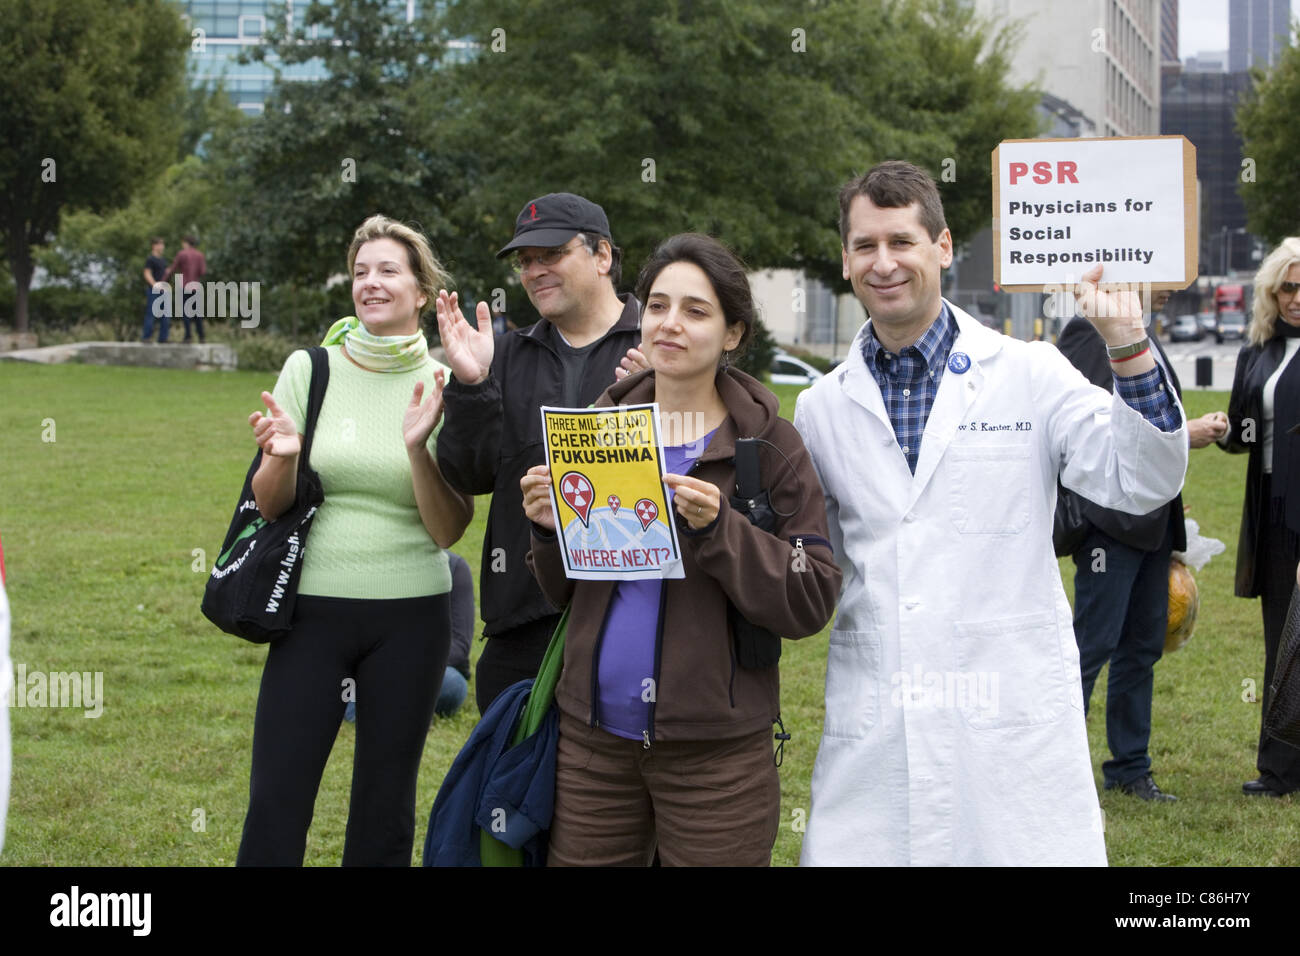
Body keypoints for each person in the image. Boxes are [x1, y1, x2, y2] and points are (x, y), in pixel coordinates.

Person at [794, 161, 1188, 866]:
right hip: (879, 717)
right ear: (846, 258)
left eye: (902, 242)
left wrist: (1127, 349)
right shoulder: (822, 406)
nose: (883, 263)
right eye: (864, 245)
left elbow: (1141, 479)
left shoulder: (1030, 373)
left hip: (1009, 718)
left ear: (943, 247)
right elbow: (803, 556)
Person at [521, 233, 841, 866]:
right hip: (592, 743)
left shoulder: (771, 446)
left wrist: (722, 532)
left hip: (716, 756)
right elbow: (565, 595)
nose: (670, 324)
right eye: (658, 305)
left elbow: (809, 596)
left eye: (695, 311)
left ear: (732, 334)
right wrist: (547, 530)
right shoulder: (600, 427)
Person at [236, 215, 473, 866]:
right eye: (361, 272)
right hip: (310, 613)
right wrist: (281, 458)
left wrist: (415, 450)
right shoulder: (308, 369)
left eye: (389, 270)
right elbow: (268, 503)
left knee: (385, 805)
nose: (371, 283)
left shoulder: (448, 383)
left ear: (423, 291)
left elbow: (450, 529)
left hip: (413, 617)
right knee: (277, 798)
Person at [436, 193, 644, 715]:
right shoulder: (503, 355)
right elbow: (470, 474)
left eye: (550, 254)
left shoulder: (661, 345)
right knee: (513, 789)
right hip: (522, 626)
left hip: (636, 619)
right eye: (525, 261)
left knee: (609, 791)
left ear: (603, 256)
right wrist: (472, 385)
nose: (534, 271)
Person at [1057, 291, 1228, 802]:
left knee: (1142, 649)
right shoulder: (1090, 329)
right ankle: (1054, 765)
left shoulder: (1142, 326)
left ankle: (1130, 770)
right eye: (1164, 271)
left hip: (1154, 523)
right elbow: (1082, 421)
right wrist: (1187, 432)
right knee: (1091, 648)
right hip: (1111, 525)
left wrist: (1177, 445)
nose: (1175, 283)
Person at [1217, 236, 1300, 797]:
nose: (1297, 296)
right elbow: (1243, 432)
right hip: (1272, 509)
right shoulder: (1258, 350)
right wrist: (1219, 431)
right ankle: (1279, 769)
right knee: (1281, 640)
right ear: (1272, 291)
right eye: (1288, 286)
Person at [343, 550, 474, 723]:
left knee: (452, 684)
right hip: (376, 664)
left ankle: (368, 705)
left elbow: (460, 645)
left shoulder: (454, 567)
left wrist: (407, 664)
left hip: (429, 667)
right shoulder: (377, 564)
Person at [163, 235, 208, 344]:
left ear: (186, 243)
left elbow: (172, 269)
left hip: (184, 285)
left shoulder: (182, 254)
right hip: (196, 286)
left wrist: (164, 280)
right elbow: (203, 272)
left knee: (186, 312)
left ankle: (188, 336)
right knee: (197, 312)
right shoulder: (200, 255)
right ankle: (201, 336)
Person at [141, 238, 169, 343]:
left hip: (164, 290)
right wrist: (155, 285)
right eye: (160, 244)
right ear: (154, 246)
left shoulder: (163, 260)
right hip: (154, 290)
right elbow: (147, 273)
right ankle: (146, 337)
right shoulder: (150, 259)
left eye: (163, 244)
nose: (162, 247)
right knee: (151, 314)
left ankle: (163, 338)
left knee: (165, 315)